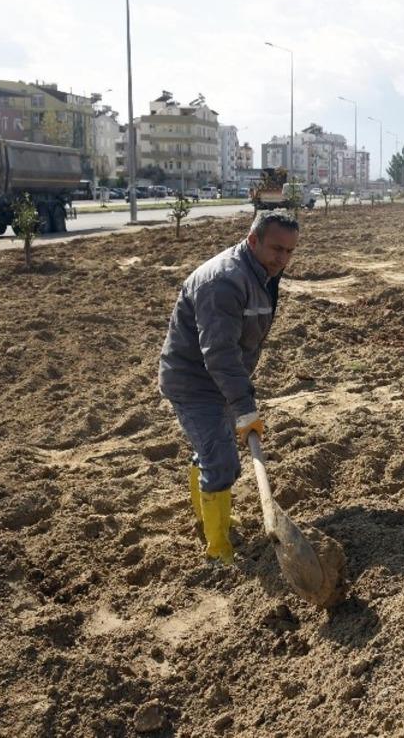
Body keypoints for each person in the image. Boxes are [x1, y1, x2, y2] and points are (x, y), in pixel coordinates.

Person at [159, 209, 301, 563]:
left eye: (289, 251)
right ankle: (218, 548)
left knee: (216, 458)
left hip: (220, 380)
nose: (281, 259)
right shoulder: (223, 282)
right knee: (222, 463)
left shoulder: (261, 272)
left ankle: (210, 511)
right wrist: (243, 407)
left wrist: (238, 396)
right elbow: (219, 353)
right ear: (252, 240)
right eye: (275, 249)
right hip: (194, 383)